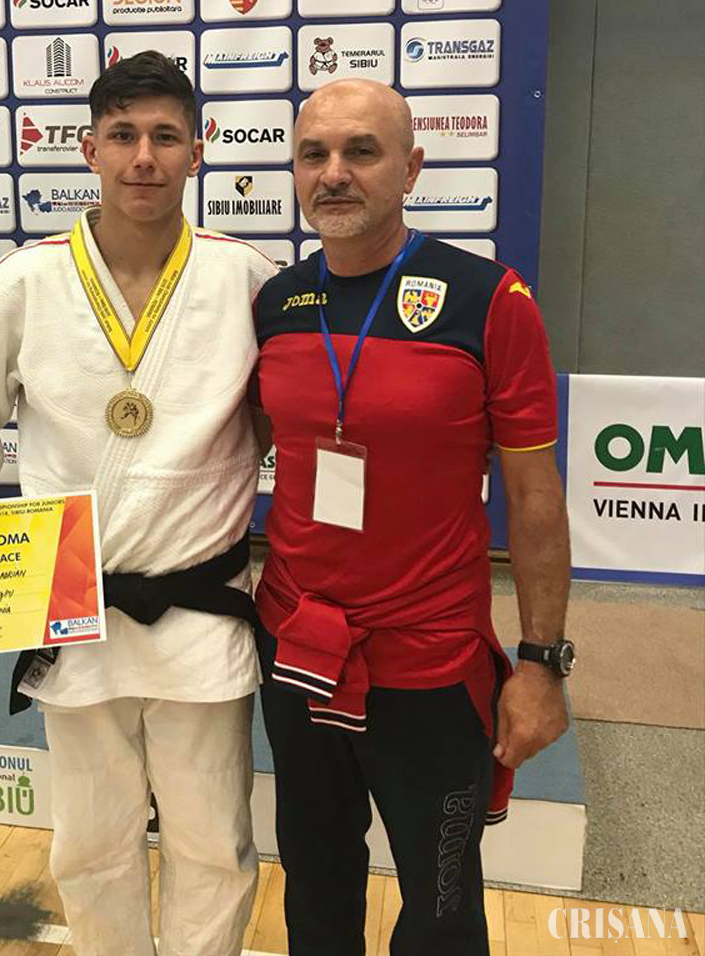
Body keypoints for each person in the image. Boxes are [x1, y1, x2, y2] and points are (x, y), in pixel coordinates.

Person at [0, 51, 277, 956]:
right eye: (123, 136)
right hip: (71, 606)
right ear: (89, 149)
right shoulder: (24, 282)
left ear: (198, 151)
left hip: (202, 610)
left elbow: (298, 419)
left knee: (214, 842)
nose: (144, 157)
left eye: (165, 136)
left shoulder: (247, 279)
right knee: (90, 844)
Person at [251, 79, 574, 955]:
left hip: (429, 666)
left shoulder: (487, 300)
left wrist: (542, 663)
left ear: (411, 168)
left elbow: (535, 497)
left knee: (440, 907)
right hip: (297, 646)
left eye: (361, 151)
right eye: (313, 154)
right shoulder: (275, 303)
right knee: (314, 879)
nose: (334, 173)